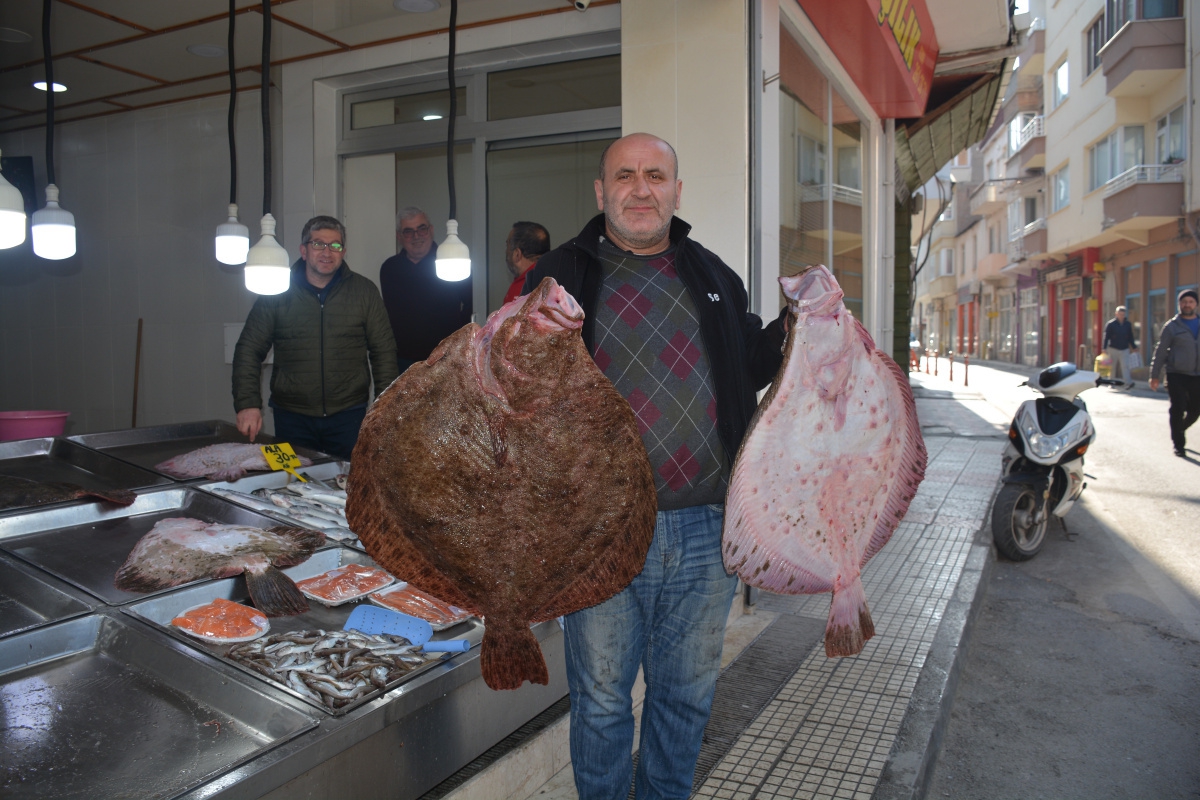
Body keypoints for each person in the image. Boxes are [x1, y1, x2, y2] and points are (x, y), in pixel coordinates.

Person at [523, 133, 788, 800]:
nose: (641, 189)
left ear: (676, 190)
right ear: (600, 192)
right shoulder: (558, 273)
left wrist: (799, 323)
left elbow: (750, 365)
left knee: (686, 697)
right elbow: (514, 384)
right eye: (625, 176)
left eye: (656, 176)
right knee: (604, 700)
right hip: (599, 530)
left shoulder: (711, 274)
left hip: (704, 528)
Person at [232, 215, 398, 460]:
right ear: (303, 250)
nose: (327, 252)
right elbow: (249, 348)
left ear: (343, 251)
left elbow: (383, 351)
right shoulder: (276, 291)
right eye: (318, 244)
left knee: (348, 486)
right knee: (290, 484)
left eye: (335, 245)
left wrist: (386, 407)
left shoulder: (364, 292)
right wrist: (247, 404)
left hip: (348, 417)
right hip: (291, 417)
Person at [379, 206, 473, 373]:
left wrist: (457, 343)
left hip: (446, 357)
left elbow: (470, 306)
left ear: (431, 230)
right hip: (403, 360)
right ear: (399, 236)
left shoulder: (453, 261)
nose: (416, 236)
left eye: (421, 229)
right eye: (408, 231)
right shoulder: (390, 269)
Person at [1149, 289, 1200, 457]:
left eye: (1190, 302)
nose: (1187, 304)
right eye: (1184, 301)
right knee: (1177, 409)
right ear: (1179, 304)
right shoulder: (1171, 326)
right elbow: (1161, 351)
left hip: (1197, 375)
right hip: (1176, 374)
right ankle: (1179, 444)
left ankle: (1180, 428)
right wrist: (1154, 375)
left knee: (1195, 409)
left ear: (1196, 304)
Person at [502, 221, 550, 304]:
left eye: (507, 246)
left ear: (517, 254)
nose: (505, 252)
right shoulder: (554, 281)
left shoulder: (523, 288)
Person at [1103, 305, 1136, 387]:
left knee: (1125, 366)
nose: (1121, 316)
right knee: (1112, 367)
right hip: (1113, 348)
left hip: (1124, 348)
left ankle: (1128, 382)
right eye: (1120, 314)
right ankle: (1111, 383)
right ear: (1116, 314)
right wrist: (1104, 348)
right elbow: (1106, 337)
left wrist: (1134, 346)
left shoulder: (1127, 324)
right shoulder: (1111, 324)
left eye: (1123, 314)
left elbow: (1130, 336)